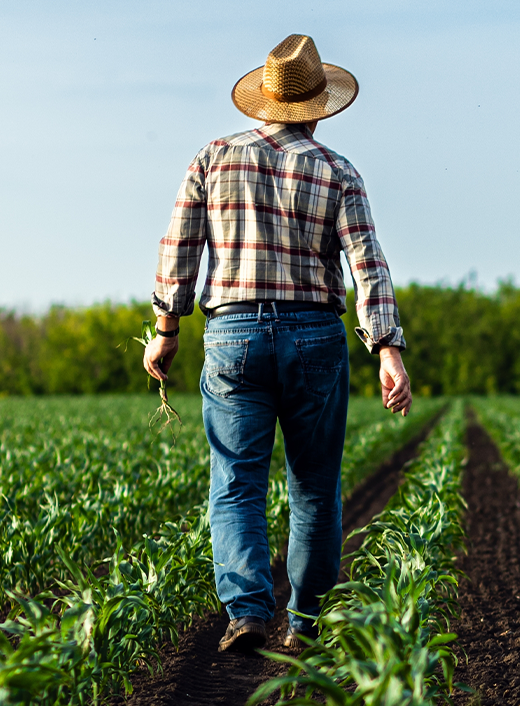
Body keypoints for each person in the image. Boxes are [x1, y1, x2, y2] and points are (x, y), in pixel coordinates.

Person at [143, 34, 411, 654]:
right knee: (314, 484)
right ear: (318, 106)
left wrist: (166, 330)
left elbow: (177, 250)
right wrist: (387, 348)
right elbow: (368, 264)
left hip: (233, 334)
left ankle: (247, 613)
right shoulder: (338, 170)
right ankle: (307, 624)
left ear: (262, 100)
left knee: (236, 480)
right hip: (315, 333)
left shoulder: (211, 158)